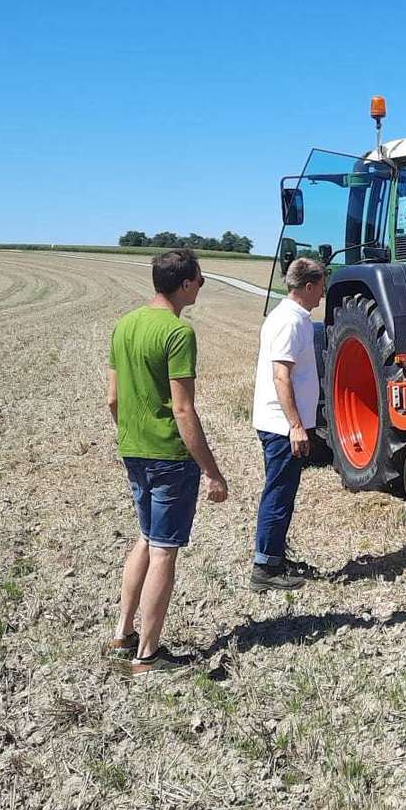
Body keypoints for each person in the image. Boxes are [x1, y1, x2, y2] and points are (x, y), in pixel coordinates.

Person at [104, 248, 228, 674]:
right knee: (164, 551)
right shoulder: (178, 333)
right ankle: (148, 654)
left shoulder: (124, 326)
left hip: (133, 450)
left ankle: (123, 634)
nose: (203, 284)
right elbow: (183, 410)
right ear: (186, 283)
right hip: (170, 458)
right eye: (200, 277)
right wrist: (212, 471)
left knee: (144, 537)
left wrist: (130, 435)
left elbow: (113, 398)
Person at [250, 257, 326, 590]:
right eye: (321, 286)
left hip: (283, 423)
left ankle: (275, 557)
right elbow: (281, 376)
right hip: (281, 426)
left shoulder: (291, 317)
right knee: (279, 493)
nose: (323, 293)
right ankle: (266, 567)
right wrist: (296, 425)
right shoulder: (290, 322)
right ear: (308, 287)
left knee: (283, 492)